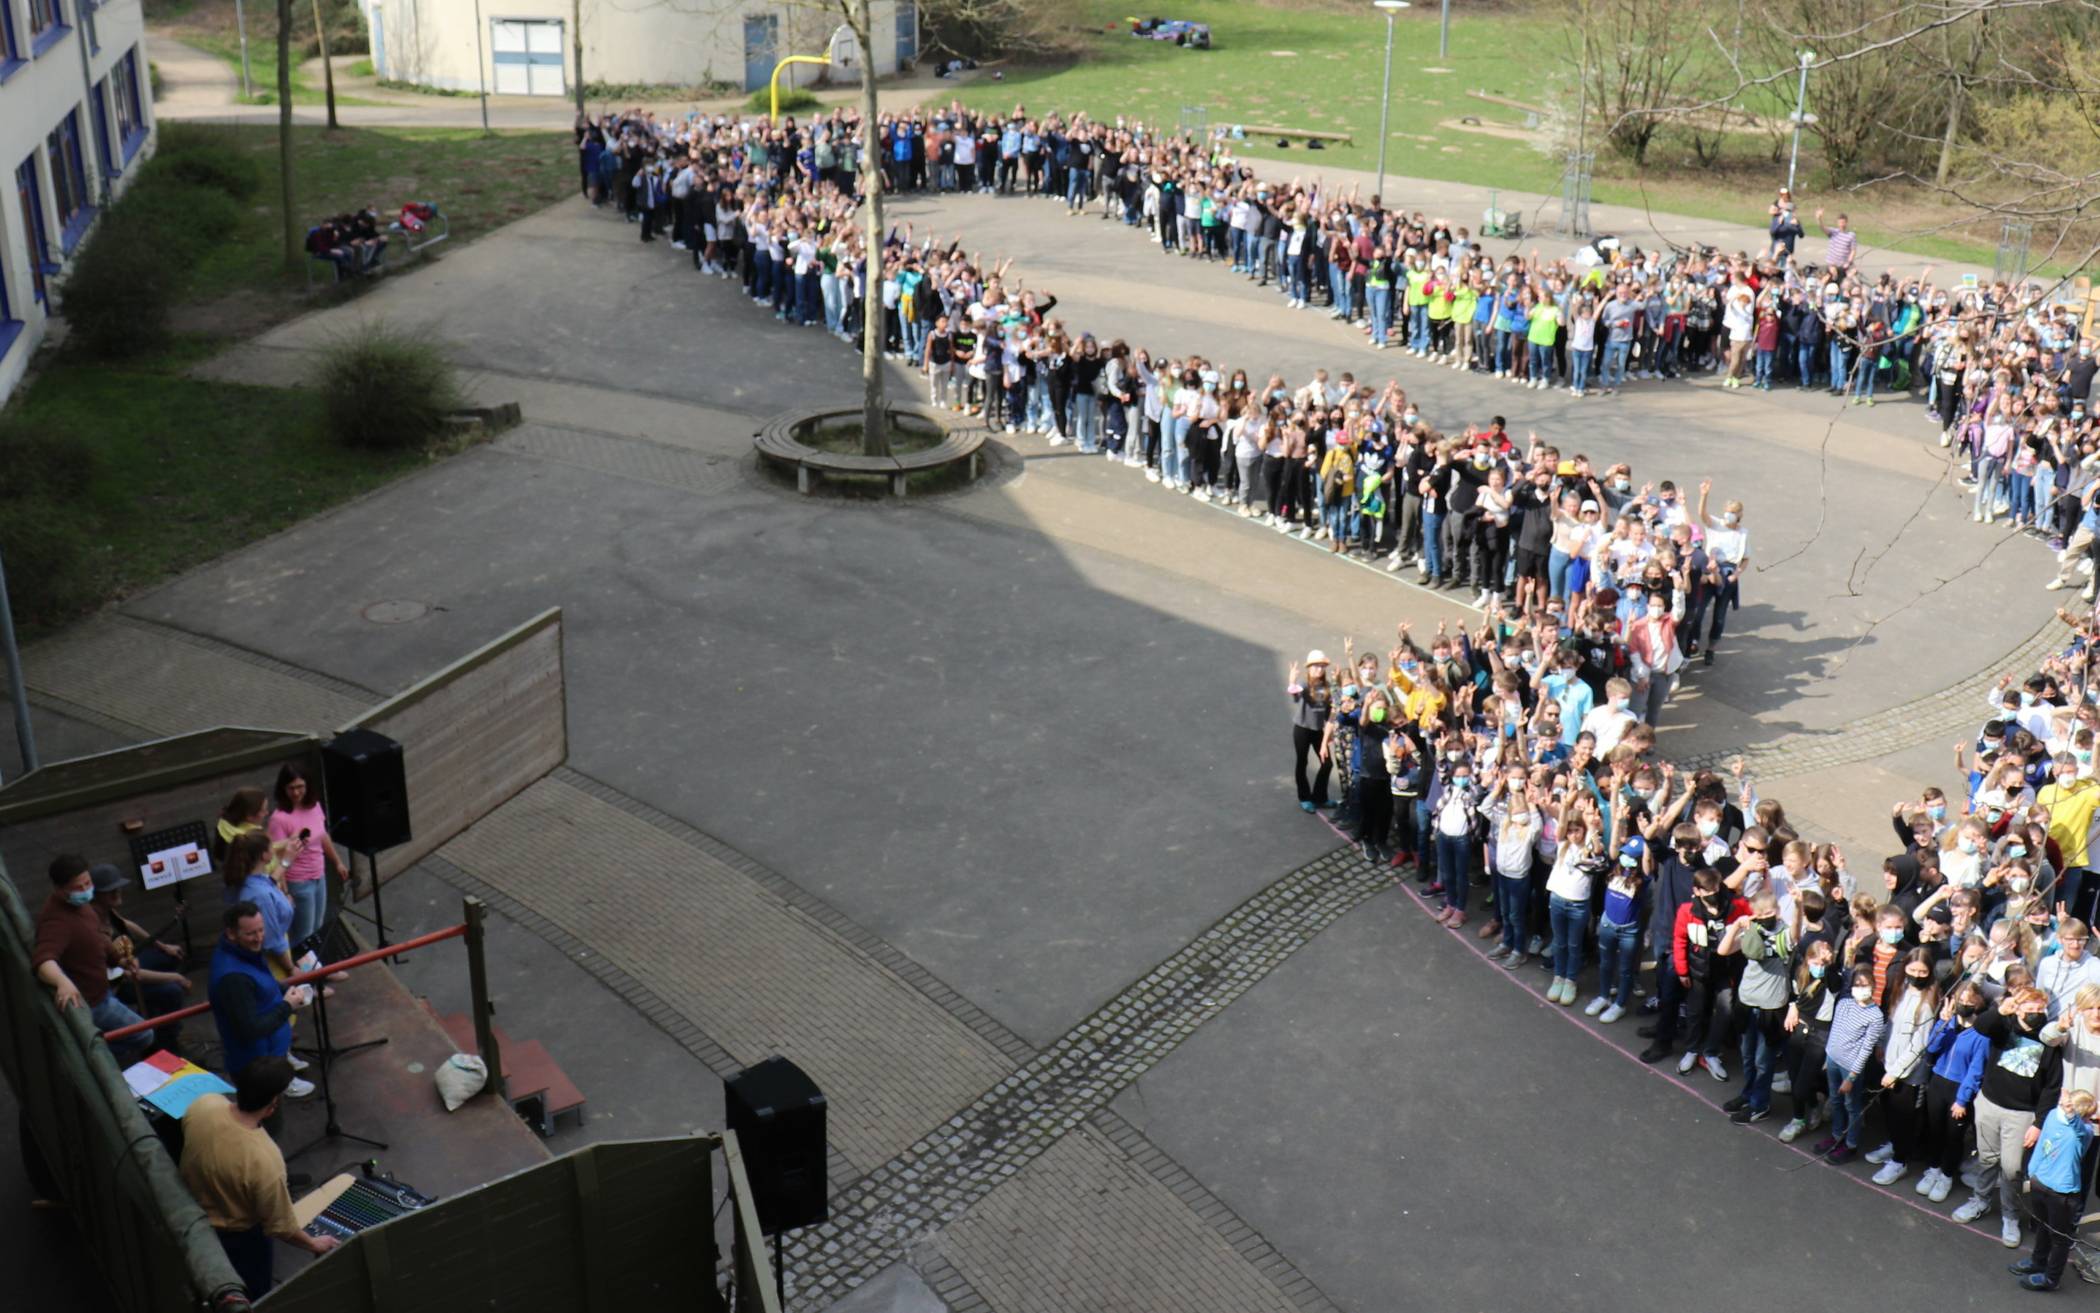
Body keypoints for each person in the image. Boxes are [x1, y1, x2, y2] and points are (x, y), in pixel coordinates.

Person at [180, 1056, 340, 1296]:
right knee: (252, 1295)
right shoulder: (265, 1159)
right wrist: (313, 1243)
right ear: (272, 1105)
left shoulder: (204, 1104)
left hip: (190, 1217)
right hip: (239, 1239)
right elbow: (280, 1225)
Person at [32, 854, 151, 1062]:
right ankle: (99, 1058)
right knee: (144, 1034)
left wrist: (119, 960)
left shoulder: (83, 906)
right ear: (60, 890)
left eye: (88, 883)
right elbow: (44, 960)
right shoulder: (56, 922)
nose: (87, 890)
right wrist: (62, 982)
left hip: (103, 990)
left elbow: (97, 937)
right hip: (94, 1002)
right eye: (79, 887)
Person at [208, 903, 314, 1096]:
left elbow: (261, 987)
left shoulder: (246, 953)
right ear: (231, 934)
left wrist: (284, 989)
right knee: (270, 1121)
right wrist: (287, 1006)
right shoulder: (233, 978)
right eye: (250, 934)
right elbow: (251, 1029)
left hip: (269, 1058)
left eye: (261, 930)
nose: (258, 938)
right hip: (259, 1070)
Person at [89, 862, 191, 1051]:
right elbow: (131, 974)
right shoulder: (94, 929)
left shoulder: (106, 910)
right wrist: (176, 977)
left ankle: (155, 1015)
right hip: (121, 984)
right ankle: (166, 1043)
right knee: (173, 990)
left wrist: (163, 946)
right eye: (110, 890)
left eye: (117, 887)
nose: (117, 892)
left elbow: (127, 925)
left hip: (129, 967)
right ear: (96, 895)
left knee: (172, 957)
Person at [2013, 1088, 2099, 1291]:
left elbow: (2076, 1127)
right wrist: (2032, 1171)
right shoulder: (2053, 1115)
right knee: (2043, 1225)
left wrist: (2072, 1114)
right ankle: (2038, 1261)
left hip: (2063, 1192)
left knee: (2060, 1238)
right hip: (2040, 1182)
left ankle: (2051, 1278)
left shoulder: (2083, 1132)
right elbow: (2043, 1144)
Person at [266, 762, 347, 953]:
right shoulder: (279, 819)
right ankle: (307, 975)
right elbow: (277, 857)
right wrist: (285, 892)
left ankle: (319, 969)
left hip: (319, 875)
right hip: (299, 882)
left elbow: (322, 835)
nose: (296, 792)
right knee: (303, 933)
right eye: (291, 788)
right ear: (283, 789)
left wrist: (337, 862)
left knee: (318, 925)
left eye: (300, 786)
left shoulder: (315, 806)